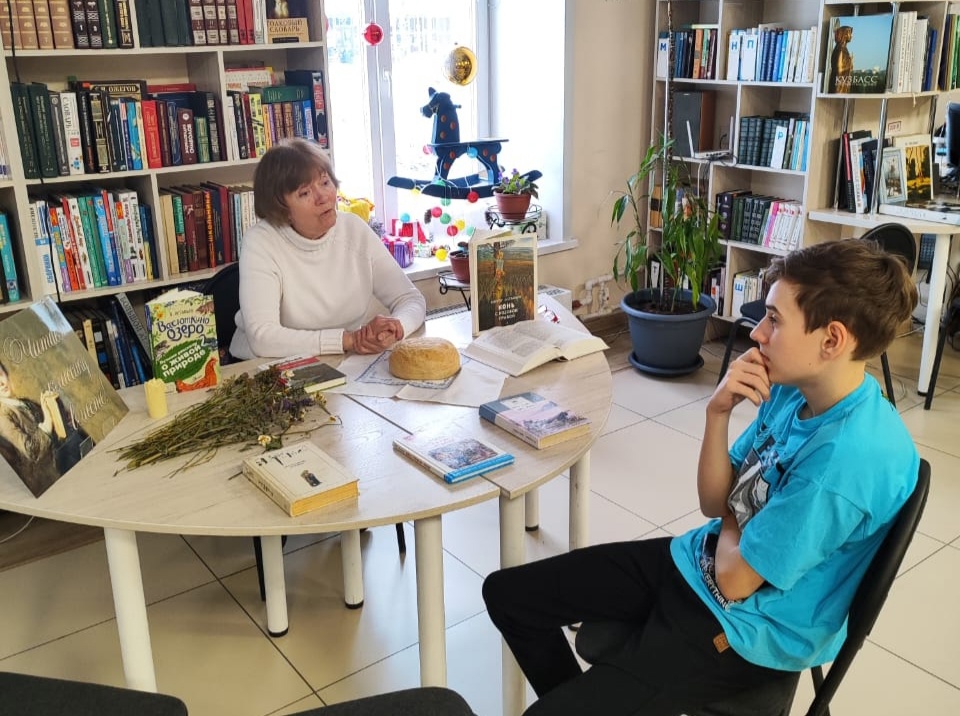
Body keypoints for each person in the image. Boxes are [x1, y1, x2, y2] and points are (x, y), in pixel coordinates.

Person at [483, 239, 920, 715]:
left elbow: (734, 580)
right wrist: (717, 412)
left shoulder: (846, 460)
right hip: (700, 562)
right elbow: (714, 502)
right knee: (508, 595)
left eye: (775, 320)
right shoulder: (797, 389)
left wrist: (734, 515)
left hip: (749, 629)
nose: (758, 333)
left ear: (832, 340)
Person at [230, 138, 426, 360]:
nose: (323, 197)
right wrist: (348, 340)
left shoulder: (354, 229)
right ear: (281, 210)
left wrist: (394, 329)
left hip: (342, 360)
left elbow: (410, 299)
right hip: (266, 366)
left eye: (325, 183)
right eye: (304, 193)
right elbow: (262, 338)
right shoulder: (261, 242)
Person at [0, 361, 89, 497]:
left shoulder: (25, 403)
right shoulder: (3, 417)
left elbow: (56, 434)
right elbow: (30, 452)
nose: (1, 383)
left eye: (0, 374)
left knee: (78, 439)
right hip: (48, 482)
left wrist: (64, 420)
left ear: (6, 374)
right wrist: (47, 420)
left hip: (66, 465)